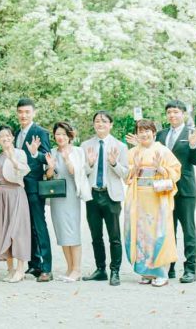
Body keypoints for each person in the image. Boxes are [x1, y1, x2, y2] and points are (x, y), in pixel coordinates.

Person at [125, 119, 182, 287]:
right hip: (139, 198)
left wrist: (160, 169)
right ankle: (146, 272)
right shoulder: (133, 151)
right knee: (141, 233)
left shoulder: (163, 150)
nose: (144, 134)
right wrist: (134, 168)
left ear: (153, 132)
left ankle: (161, 272)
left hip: (157, 197)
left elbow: (176, 171)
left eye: (147, 130)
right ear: (137, 134)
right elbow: (127, 175)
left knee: (158, 233)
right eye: (140, 131)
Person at [156, 100, 196, 283]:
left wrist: (192, 146)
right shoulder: (161, 134)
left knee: (188, 230)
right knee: (168, 229)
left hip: (185, 189)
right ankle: (170, 267)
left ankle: (190, 269)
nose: (172, 115)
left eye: (176, 112)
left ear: (183, 114)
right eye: (169, 112)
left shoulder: (192, 133)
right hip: (164, 188)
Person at [81, 111, 129, 286]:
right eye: (97, 121)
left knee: (114, 236)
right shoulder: (86, 145)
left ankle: (114, 271)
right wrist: (90, 164)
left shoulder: (120, 146)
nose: (100, 124)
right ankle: (100, 269)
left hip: (111, 196)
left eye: (104, 121)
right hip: (92, 194)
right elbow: (81, 173)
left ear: (111, 124)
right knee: (96, 236)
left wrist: (114, 163)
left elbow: (126, 174)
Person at [44, 121, 91, 282]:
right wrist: (50, 167)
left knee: (73, 231)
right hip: (57, 196)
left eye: (63, 134)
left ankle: (77, 269)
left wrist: (66, 159)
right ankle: (69, 268)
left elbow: (77, 173)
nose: (60, 137)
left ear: (69, 135)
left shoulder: (77, 151)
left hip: (71, 194)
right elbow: (49, 176)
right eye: (58, 134)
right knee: (62, 231)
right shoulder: (51, 152)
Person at [14, 97, 52, 282]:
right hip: (18, 186)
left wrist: (37, 153)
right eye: (21, 112)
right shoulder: (15, 133)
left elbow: (47, 157)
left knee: (39, 225)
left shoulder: (40, 132)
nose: (24, 115)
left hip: (35, 185)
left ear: (33, 113)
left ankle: (47, 267)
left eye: (27, 112)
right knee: (26, 225)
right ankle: (34, 264)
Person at [0, 125, 30, 283]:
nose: (5, 138)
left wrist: (12, 158)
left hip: (16, 193)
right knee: (3, 229)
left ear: (13, 138)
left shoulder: (20, 153)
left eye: (8, 135)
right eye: (2, 136)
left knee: (18, 231)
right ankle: (10, 269)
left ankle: (21, 269)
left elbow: (24, 171)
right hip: (2, 195)